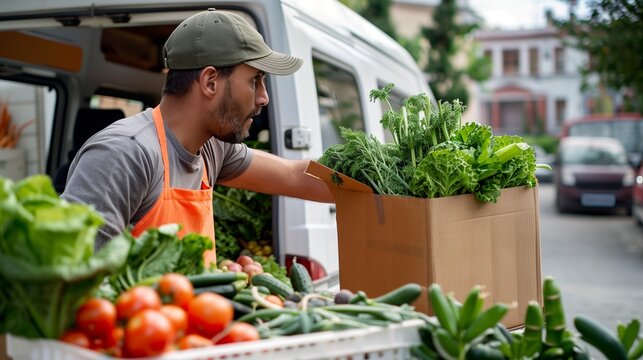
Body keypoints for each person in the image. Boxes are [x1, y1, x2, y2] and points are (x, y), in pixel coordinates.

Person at [61, 9, 333, 264]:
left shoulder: (212, 149)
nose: (264, 97)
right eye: (255, 80)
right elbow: (76, 276)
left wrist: (371, 180)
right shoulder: (124, 154)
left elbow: (294, 176)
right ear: (210, 82)